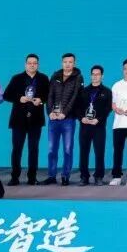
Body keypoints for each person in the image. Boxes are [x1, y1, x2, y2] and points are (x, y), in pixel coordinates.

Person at [3, 53, 50, 186]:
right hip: (19, 119)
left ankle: (32, 177)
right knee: (17, 149)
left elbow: (49, 95)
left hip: (36, 119)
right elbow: (6, 95)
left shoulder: (43, 78)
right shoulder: (17, 78)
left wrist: (41, 100)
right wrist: (19, 98)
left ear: (38, 65)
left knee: (33, 149)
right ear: (25, 65)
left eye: (35, 63)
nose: (32, 65)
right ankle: (14, 177)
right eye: (29, 63)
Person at [43, 53, 82, 186]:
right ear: (62, 63)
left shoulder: (78, 77)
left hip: (68, 120)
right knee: (51, 149)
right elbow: (49, 96)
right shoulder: (55, 76)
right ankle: (51, 175)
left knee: (67, 149)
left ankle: (65, 176)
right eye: (65, 62)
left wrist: (64, 113)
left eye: (70, 62)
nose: (67, 64)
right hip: (53, 119)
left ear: (74, 63)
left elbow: (75, 97)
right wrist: (50, 112)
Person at [78, 65, 112, 186]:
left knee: (99, 152)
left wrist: (98, 119)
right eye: (93, 74)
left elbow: (108, 109)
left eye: (97, 74)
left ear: (102, 76)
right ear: (91, 75)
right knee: (84, 152)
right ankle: (84, 176)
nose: (95, 76)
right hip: (85, 126)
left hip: (99, 127)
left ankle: (99, 176)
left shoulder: (107, 92)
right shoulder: (83, 91)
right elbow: (77, 107)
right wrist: (81, 118)